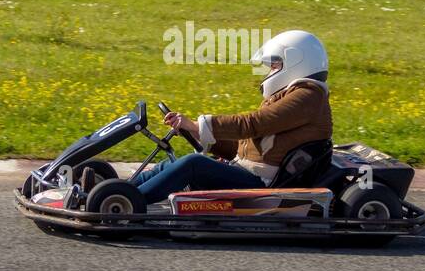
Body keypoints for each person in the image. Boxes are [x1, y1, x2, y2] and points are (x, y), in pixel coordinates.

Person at [134, 30, 332, 204]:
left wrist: (198, 123)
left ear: (297, 61)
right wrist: (197, 132)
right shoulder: (295, 94)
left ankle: (128, 203)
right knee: (171, 164)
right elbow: (247, 147)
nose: (271, 71)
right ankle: (122, 190)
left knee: (192, 164)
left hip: (262, 184)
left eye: (275, 65)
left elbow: (253, 124)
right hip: (248, 172)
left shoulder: (308, 97)